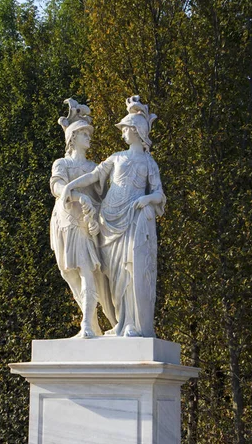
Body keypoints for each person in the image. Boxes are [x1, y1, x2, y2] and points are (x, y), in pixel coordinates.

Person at [61, 96, 166, 337]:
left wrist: (146, 200)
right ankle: (120, 322)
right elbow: (95, 176)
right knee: (115, 276)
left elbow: (159, 194)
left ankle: (131, 324)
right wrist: (71, 187)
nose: (122, 134)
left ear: (136, 131)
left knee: (130, 272)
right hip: (108, 220)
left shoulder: (149, 162)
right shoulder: (117, 157)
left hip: (132, 219)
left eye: (126, 129)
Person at [50, 99, 116, 338]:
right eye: (84, 133)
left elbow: (105, 197)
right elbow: (57, 186)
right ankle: (92, 324)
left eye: (88, 133)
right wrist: (78, 196)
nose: (89, 136)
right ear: (73, 137)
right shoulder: (63, 163)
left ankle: (87, 326)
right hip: (66, 223)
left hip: (86, 226)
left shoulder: (93, 167)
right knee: (73, 275)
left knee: (88, 272)